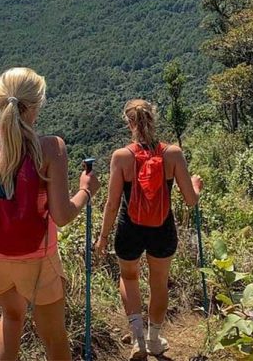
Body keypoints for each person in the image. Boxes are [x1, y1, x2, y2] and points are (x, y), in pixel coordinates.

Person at [0, 67, 100, 361]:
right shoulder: (50, 148)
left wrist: (2, 209)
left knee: (11, 316)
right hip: (37, 260)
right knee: (54, 338)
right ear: (36, 106)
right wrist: (86, 190)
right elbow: (61, 216)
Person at [95, 99, 203, 360]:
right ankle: (155, 340)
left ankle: (137, 339)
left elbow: (111, 204)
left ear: (129, 123)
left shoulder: (121, 157)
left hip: (129, 228)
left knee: (129, 278)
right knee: (159, 284)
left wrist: (102, 237)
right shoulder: (173, 153)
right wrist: (196, 185)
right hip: (162, 228)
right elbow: (191, 200)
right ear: (153, 120)